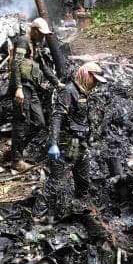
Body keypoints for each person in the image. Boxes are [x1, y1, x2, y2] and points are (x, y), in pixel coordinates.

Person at [46, 61, 107, 198]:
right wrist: (53, 143)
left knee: (83, 181)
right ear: (86, 75)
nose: (95, 84)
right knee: (56, 184)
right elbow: (57, 117)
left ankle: (81, 204)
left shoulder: (85, 93)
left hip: (81, 144)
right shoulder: (68, 91)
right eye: (94, 80)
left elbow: (85, 118)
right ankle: (44, 210)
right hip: (66, 144)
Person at [7, 35, 51, 170]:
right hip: (23, 87)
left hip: (32, 89)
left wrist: (57, 83)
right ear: (35, 30)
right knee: (21, 123)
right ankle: (16, 160)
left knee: (40, 123)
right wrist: (18, 88)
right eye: (40, 32)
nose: (42, 35)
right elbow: (16, 63)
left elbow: (43, 67)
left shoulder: (35, 46)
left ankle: (17, 150)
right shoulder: (23, 40)